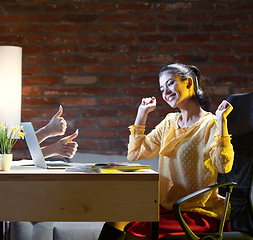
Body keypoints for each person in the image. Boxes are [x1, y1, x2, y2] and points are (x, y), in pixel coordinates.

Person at [98, 63, 234, 240]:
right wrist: (142, 113)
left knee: (135, 235)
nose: (165, 92)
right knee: (114, 219)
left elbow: (224, 166)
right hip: (164, 208)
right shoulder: (170, 122)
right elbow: (135, 153)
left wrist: (222, 122)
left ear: (189, 83)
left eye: (170, 84)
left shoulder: (210, 124)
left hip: (194, 211)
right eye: (162, 88)